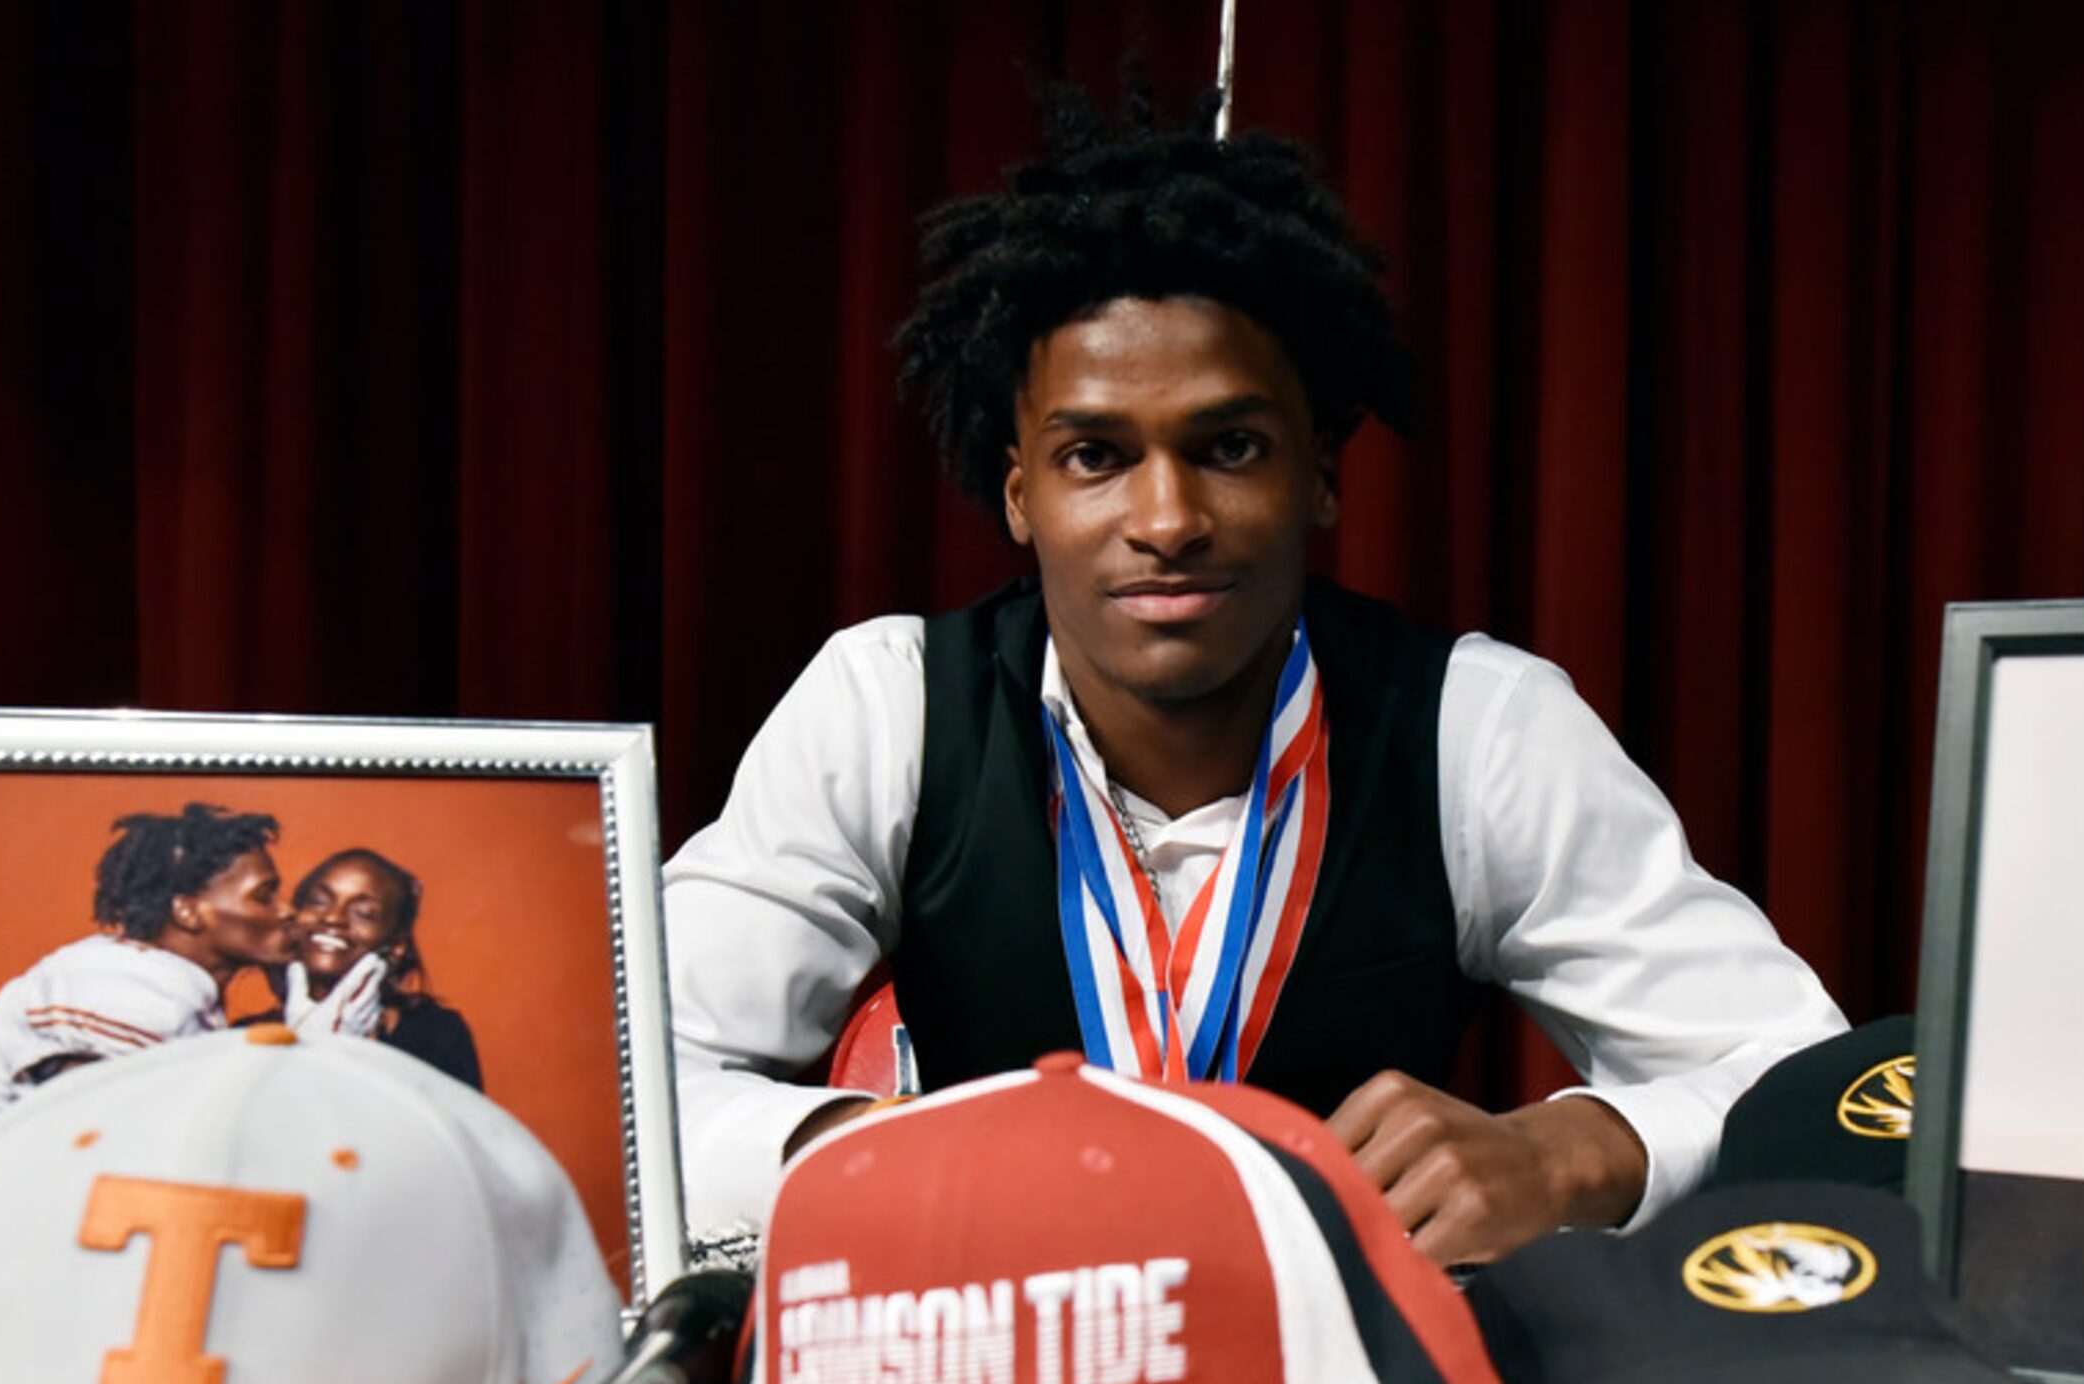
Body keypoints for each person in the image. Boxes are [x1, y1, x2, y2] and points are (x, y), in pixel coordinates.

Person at [665, 91, 1843, 1267]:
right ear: (1018, 494)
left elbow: (1804, 1076)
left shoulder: (1478, 727)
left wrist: (1565, 1155)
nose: (1168, 520)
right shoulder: (886, 709)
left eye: (1228, 448)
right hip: (992, 1374)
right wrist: (894, 1159)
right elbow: (630, 1077)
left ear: (1318, 478)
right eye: (1095, 457)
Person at [0, 804, 295, 1202]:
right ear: (187, 911)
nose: (286, 911)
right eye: (264, 895)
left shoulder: (169, 981)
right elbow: (87, 1145)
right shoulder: (120, 982)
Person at [270, 848, 484, 1090]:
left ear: (396, 945)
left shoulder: (434, 1034)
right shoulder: (250, 1034)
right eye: (319, 901)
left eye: (364, 914)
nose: (333, 918)